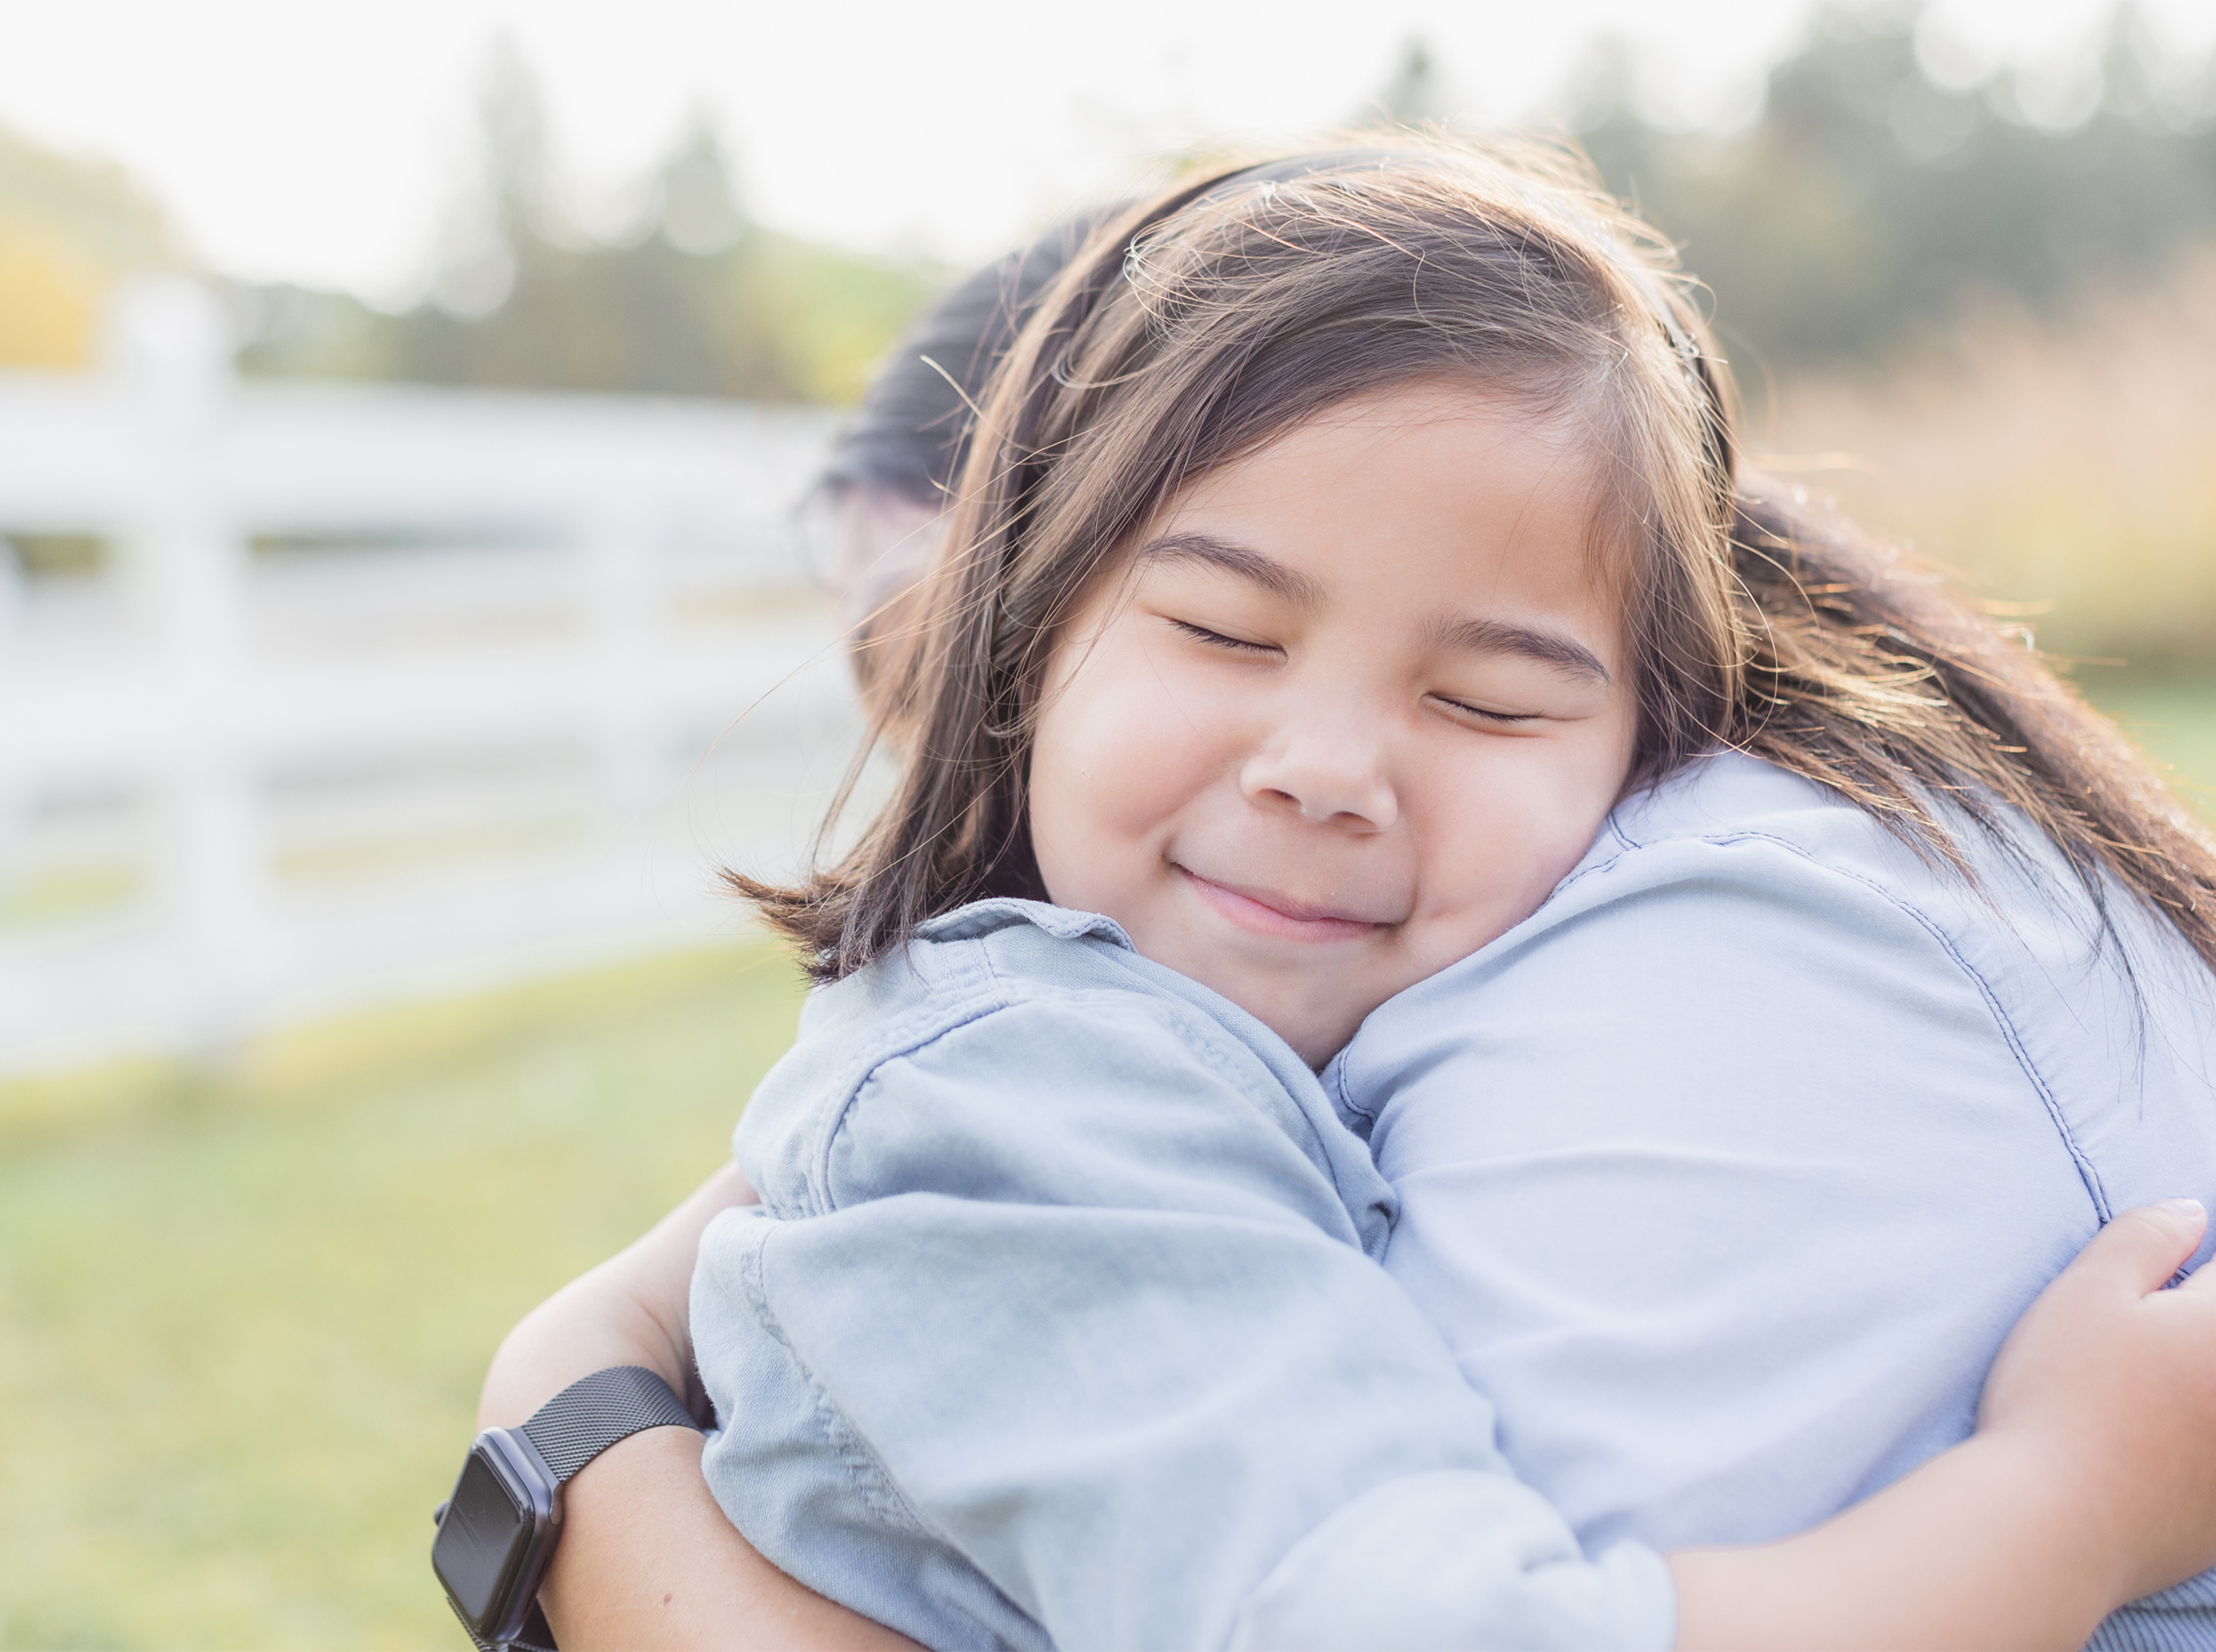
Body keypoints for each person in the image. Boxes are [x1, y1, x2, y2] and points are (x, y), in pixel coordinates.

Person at [479, 138, 2216, 1648]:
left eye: (1487, 698)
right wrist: (2069, 1500)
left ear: (1649, 728)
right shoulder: (1032, 1100)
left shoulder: (1655, 947)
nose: (1327, 764)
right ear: (1024, 643)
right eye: (1224, 631)